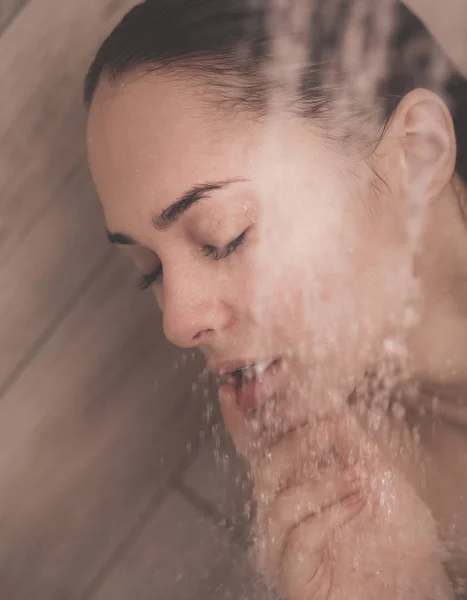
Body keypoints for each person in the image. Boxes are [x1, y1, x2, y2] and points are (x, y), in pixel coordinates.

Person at [84, 0, 467, 598]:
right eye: (149, 270)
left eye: (223, 236)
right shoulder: (343, 475)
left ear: (417, 156)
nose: (179, 321)